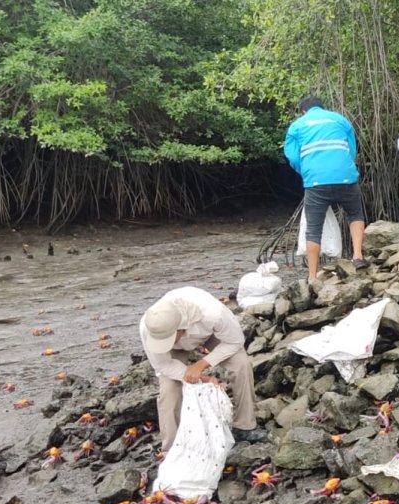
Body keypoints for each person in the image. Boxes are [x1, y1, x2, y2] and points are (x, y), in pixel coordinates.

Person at [140, 287, 267, 451]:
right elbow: (163, 365)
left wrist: (201, 364)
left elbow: (235, 341)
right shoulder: (148, 327)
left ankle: (245, 426)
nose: (165, 342)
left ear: (181, 328)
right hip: (174, 350)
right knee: (169, 390)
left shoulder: (213, 313)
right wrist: (203, 378)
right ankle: (171, 449)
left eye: (169, 338)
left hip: (208, 334)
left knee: (241, 364)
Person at [283, 95, 369, 281]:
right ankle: (357, 256)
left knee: (313, 229)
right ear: (322, 108)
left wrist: (305, 172)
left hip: (316, 181)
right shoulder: (340, 119)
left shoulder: (297, 126)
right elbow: (351, 150)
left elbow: (293, 157)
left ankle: (313, 276)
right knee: (355, 214)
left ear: (303, 111)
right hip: (345, 177)